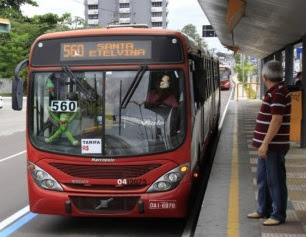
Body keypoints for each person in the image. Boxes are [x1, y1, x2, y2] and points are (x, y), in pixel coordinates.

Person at [247, 60, 291, 226]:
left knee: (275, 180)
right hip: (267, 146)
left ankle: (278, 214)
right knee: (263, 178)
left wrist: (265, 143)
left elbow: (277, 120)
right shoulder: (275, 92)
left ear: (265, 77)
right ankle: (263, 209)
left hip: (273, 146)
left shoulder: (278, 93)